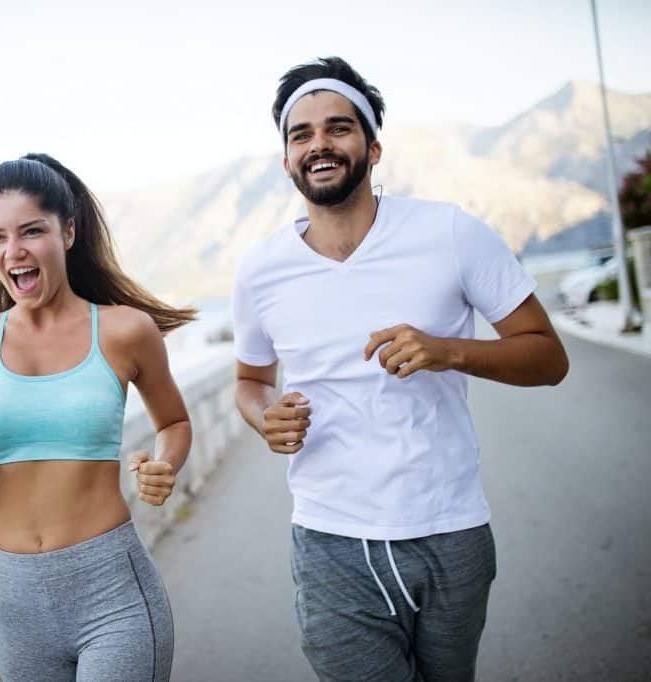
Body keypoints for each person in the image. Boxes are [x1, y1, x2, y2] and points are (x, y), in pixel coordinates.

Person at [231, 57, 569, 681]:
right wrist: (262, 418)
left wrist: (449, 350)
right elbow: (251, 381)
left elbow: (548, 355)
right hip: (329, 537)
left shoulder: (451, 233)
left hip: (450, 529)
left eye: (338, 127)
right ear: (285, 161)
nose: (319, 145)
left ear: (373, 146)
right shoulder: (260, 271)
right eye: (300, 134)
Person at [0, 153, 194, 681]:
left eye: (31, 231)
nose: (13, 252)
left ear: (67, 232)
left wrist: (165, 464)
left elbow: (174, 424)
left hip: (111, 590)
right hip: (14, 600)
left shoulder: (124, 331)